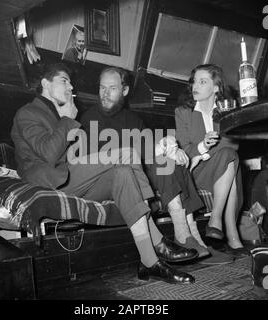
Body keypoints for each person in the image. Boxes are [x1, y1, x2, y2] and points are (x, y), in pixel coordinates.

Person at [11, 63, 197, 284]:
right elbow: (49, 154)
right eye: (64, 80)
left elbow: (69, 154)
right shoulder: (28, 112)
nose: (71, 86)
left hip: (72, 175)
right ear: (45, 83)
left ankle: (149, 262)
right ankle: (158, 240)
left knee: (124, 173)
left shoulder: (57, 112)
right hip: (53, 180)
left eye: (71, 82)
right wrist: (68, 119)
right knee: (126, 154)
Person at [80, 66, 210, 258]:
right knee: (162, 160)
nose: (105, 94)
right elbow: (102, 159)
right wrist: (158, 150)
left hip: (138, 170)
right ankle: (185, 233)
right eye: (102, 88)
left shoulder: (132, 118)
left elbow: (147, 144)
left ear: (124, 91)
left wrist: (169, 147)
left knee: (168, 161)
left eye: (112, 88)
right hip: (116, 177)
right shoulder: (89, 117)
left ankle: (188, 234)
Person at [175, 63, 245, 252]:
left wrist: (211, 148)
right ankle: (230, 232)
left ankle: (218, 225)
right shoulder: (183, 112)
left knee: (229, 156)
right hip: (195, 171)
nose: (195, 86)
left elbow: (233, 145)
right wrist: (203, 145)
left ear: (216, 87)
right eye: (194, 82)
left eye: (202, 82)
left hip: (223, 168)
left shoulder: (226, 110)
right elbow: (183, 150)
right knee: (229, 159)